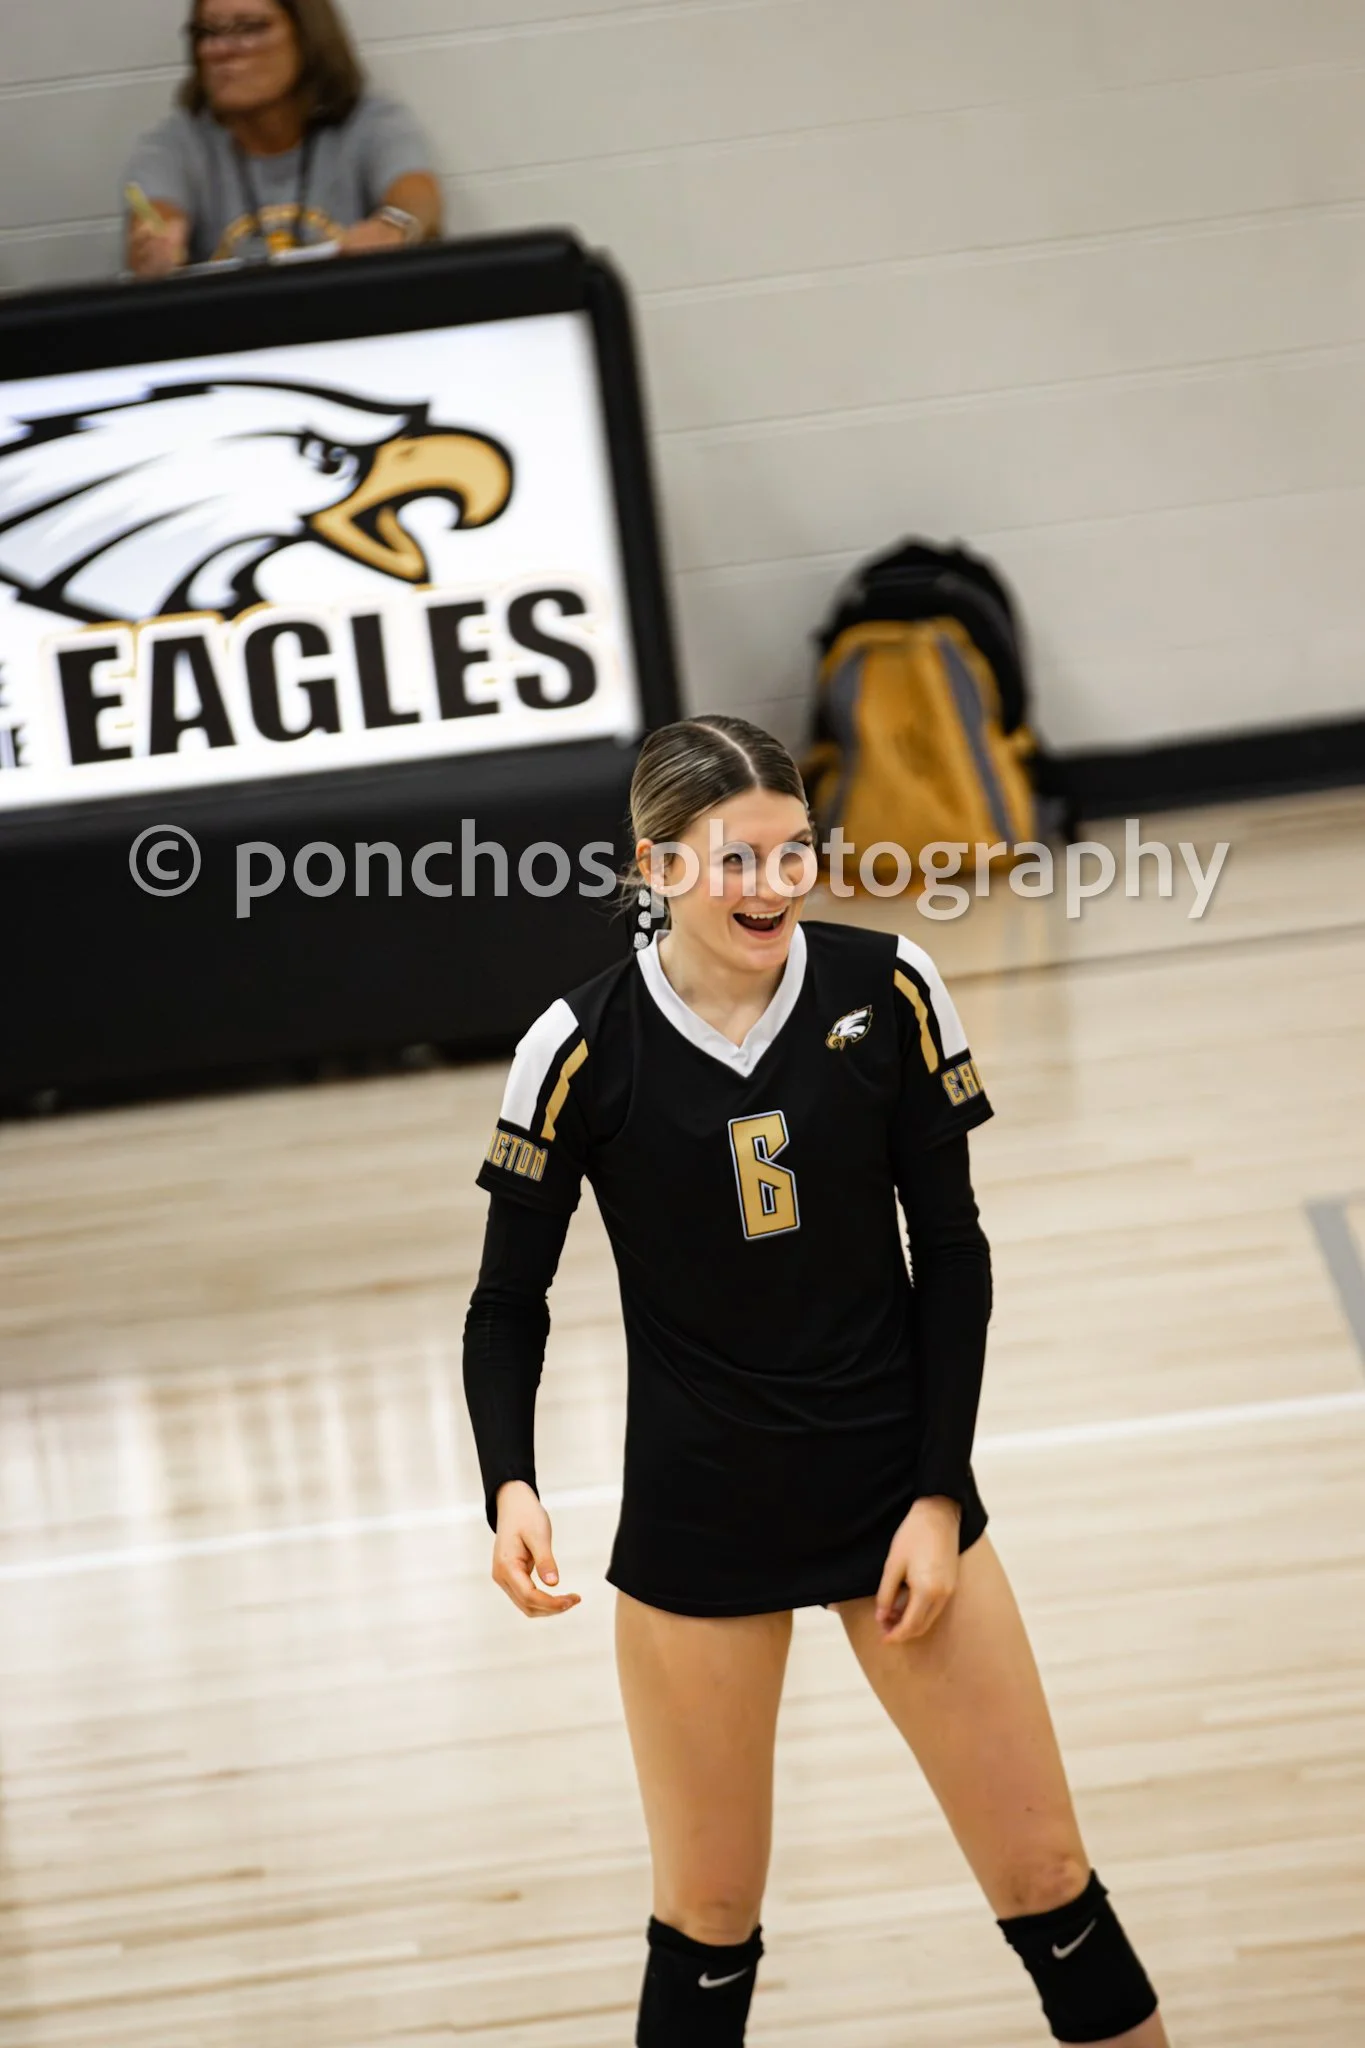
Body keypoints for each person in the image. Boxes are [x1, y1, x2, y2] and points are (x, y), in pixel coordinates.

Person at [463, 714, 1170, 2048]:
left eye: (794, 851)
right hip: (701, 1512)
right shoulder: (578, 1045)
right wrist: (511, 1484)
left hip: (892, 1488)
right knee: (707, 1922)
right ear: (656, 867)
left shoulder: (888, 986)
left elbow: (951, 1250)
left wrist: (937, 1495)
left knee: (1049, 1883)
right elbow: (507, 1303)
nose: (775, 884)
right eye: (736, 858)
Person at [123, 0, 441, 276]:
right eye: (207, 32)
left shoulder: (369, 120)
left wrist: (395, 225)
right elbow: (157, 213)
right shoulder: (176, 142)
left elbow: (417, 193)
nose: (218, 49)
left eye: (248, 27)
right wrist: (156, 246)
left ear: (306, 36)